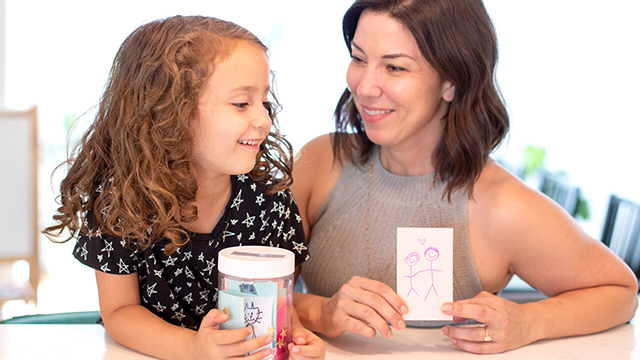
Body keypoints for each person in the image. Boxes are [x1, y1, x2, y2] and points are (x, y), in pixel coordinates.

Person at [291, 0, 638, 354]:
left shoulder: (501, 205)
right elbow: (243, 288)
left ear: (453, 82)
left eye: (394, 67)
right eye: (359, 58)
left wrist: (531, 322)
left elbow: (620, 291)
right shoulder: (321, 161)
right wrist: (320, 312)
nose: (364, 86)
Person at [43, 15, 324, 360]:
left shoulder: (271, 201)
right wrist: (195, 348)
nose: (264, 119)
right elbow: (119, 313)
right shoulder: (120, 203)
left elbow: (279, 304)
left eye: (264, 101)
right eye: (241, 103)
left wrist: (295, 337)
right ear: (169, 112)